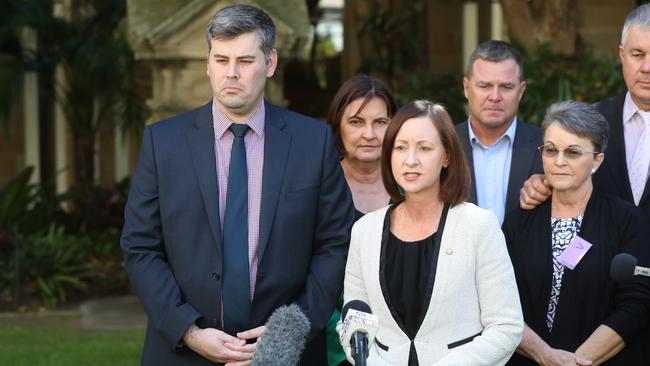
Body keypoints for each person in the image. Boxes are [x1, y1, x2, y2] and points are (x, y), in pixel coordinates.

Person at [120, 4, 356, 365]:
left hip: (288, 356)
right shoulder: (162, 143)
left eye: (245, 61)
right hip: (182, 352)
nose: (231, 73)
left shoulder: (313, 142)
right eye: (221, 59)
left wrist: (288, 332)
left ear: (271, 63)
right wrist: (189, 330)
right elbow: (140, 247)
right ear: (208, 62)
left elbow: (334, 245)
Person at [341, 100, 523, 365]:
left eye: (424, 148)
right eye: (400, 148)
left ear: (446, 155)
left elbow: (507, 327)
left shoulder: (479, 225)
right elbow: (354, 325)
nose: (410, 160)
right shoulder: (364, 231)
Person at [504, 101, 650, 365]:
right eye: (550, 150)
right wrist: (546, 356)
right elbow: (499, 305)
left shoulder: (626, 220)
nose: (559, 162)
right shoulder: (518, 222)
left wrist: (575, 362)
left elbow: (636, 305)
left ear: (597, 160)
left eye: (572, 152)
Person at [324, 74, 397, 366]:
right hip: (332, 348)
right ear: (338, 127)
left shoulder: (412, 190)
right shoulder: (317, 190)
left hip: (402, 349)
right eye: (356, 122)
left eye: (380, 122)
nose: (369, 133)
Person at [456, 40, 542, 224]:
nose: (494, 97)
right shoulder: (443, 147)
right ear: (466, 88)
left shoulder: (547, 148)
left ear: (521, 91)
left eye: (506, 87)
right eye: (484, 86)